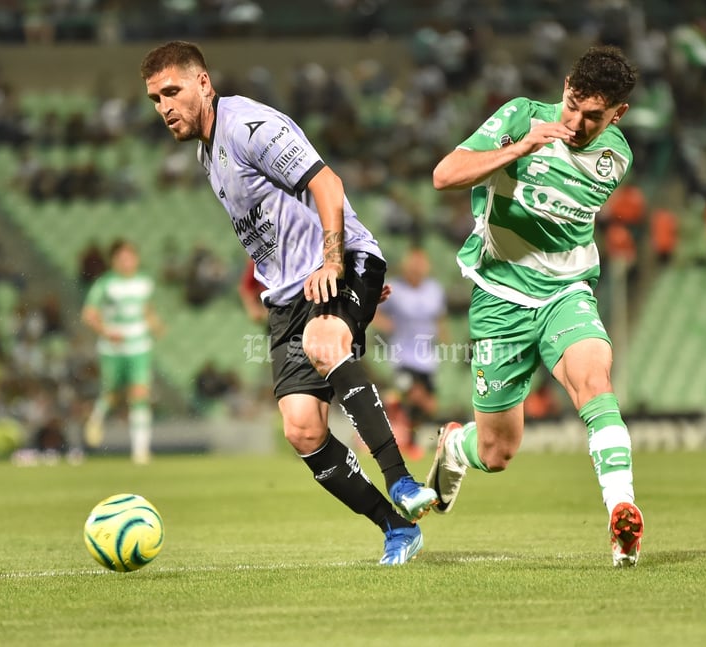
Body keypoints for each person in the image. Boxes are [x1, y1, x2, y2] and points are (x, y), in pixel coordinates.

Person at [140, 41, 437, 565]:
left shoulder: (247, 127)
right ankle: (396, 528)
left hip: (334, 264)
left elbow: (326, 183)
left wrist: (337, 263)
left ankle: (402, 480)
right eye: (155, 98)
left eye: (172, 91)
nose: (164, 106)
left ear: (203, 83)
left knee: (325, 341)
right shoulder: (208, 151)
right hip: (289, 295)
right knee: (302, 428)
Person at [426, 45, 645, 567]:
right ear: (565, 85)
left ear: (619, 115)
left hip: (566, 293)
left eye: (595, 116)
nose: (577, 121)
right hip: (500, 298)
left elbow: (556, 220)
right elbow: (444, 175)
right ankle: (455, 448)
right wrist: (519, 148)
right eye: (572, 105)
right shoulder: (523, 116)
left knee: (595, 381)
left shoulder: (617, 158)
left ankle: (622, 513)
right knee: (498, 452)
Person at [81, 239, 164, 465]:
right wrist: (106, 332)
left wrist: (155, 324)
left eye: (131, 257)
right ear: (114, 261)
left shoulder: (145, 282)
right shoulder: (105, 284)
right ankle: (96, 418)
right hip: (113, 348)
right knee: (112, 394)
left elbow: (146, 308)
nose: (128, 262)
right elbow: (89, 314)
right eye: (123, 258)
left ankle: (140, 451)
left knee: (139, 394)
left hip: (139, 345)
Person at [372, 246, 448, 459]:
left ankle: (396, 415)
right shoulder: (394, 288)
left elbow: (439, 318)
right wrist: (385, 324)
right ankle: (402, 439)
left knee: (429, 406)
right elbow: (374, 311)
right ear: (405, 266)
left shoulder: (434, 290)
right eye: (413, 264)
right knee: (415, 395)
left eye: (420, 264)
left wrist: (445, 337)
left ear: (427, 267)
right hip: (402, 356)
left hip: (427, 359)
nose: (416, 268)